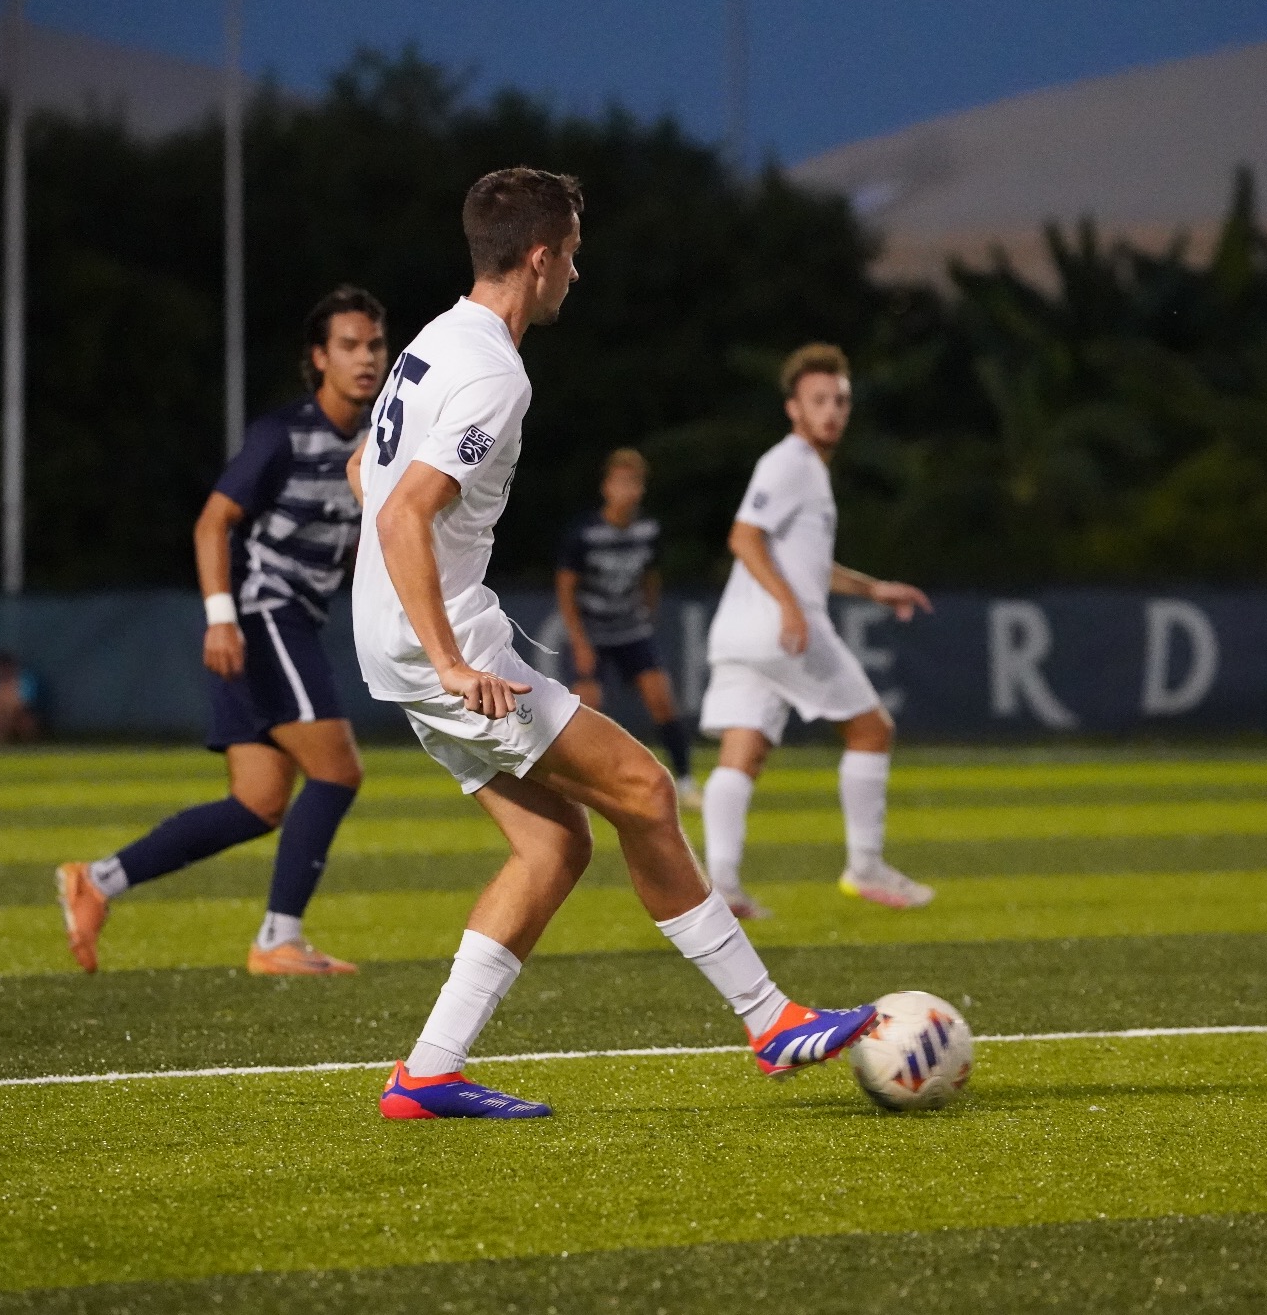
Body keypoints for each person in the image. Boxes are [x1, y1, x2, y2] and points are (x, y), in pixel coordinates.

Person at [348, 166, 879, 1120]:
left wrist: (408, 610)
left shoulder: (434, 338)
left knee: (554, 846)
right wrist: (455, 659)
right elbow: (402, 519)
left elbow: (367, 471)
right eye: (575, 259)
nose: (577, 278)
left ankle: (427, 1073)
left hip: (392, 637)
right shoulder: (492, 372)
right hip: (440, 640)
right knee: (644, 787)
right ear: (542, 257)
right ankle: (769, 1019)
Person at [54, 286, 389, 977]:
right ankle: (277, 939)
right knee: (337, 771)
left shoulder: (380, 438)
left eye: (376, 344)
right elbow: (213, 522)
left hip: (293, 618)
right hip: (265, 617)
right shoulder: (282, 434)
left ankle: (99, 880)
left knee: (259, 801)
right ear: (318, 358)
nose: (366, 358)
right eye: (350, 345)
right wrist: (220, 617)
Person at [697, 343, 936, 920]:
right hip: (783, 632)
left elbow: (802, 563)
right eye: (818, 400)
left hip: (739, 634)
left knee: (742, 755)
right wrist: (790, 607)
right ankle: (866, 865)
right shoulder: (791, 463)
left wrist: (873, 588)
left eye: (840, 400)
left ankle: (721, 888)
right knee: (872, 731)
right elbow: (744, 538)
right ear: (793, 409)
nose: (831, 411)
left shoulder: (803, 470)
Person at [554, 447, 701, 809]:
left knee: (661, 700)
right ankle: (581, 789)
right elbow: (565, 587)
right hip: (595, 632)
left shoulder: (648, 531)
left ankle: (685, 781)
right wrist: (579, 640)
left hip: (632, 631)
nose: (627, 491)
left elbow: (652, 577)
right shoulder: (585, 534)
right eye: (621, 483)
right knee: (587, 708)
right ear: (606, 487)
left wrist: (647, 617)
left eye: (634, 483)